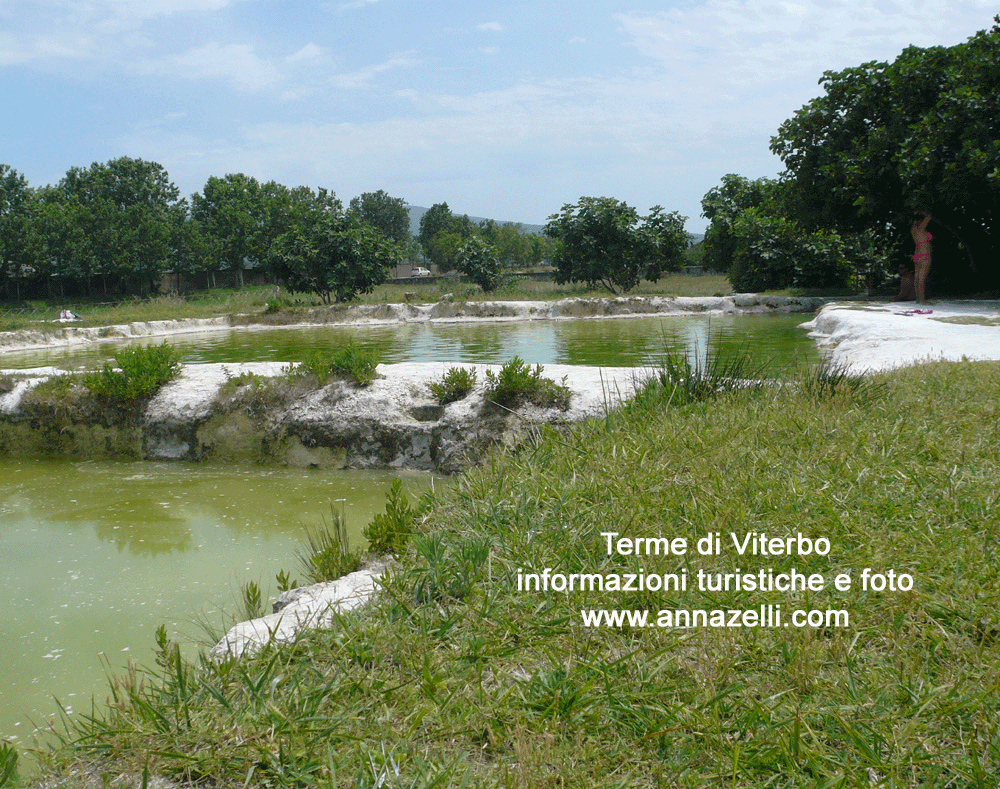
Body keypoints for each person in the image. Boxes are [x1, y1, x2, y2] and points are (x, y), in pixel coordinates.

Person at [909, 211, 933, 304]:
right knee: (922, 278)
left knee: (917, 278)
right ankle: (922, 300)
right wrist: (923, 212)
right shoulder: (921, 229)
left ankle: (918, 299)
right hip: (924, 254)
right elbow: (929, 216)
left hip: (917, 254)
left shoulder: (913, 230)